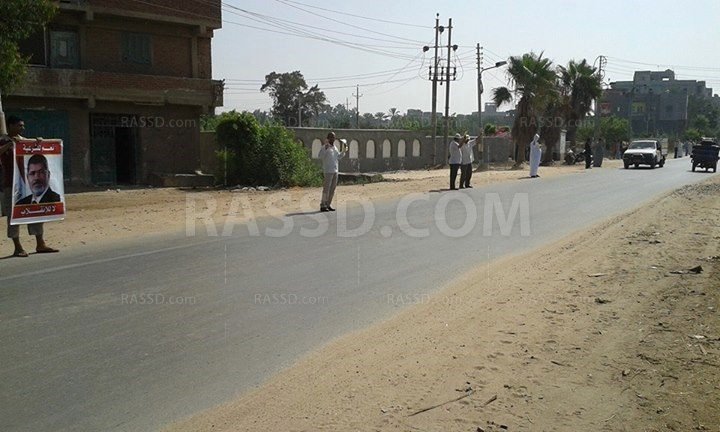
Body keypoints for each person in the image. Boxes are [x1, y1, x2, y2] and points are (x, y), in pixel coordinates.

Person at [0, 115, 58, 257]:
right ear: (10, 126)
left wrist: (38, 143)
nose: (22, 128)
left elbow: (35, 152)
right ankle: (18, 247)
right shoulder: (3, 141)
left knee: (35, 212)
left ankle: (40, 243)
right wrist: (10, 145)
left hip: (28, 186)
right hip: (11, 185)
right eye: (20, 125)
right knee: (14, 215)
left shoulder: (24, 141)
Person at [318, 131, 346, 212]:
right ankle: (323, 205)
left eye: (333, 137)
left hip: (335, 170)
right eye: (331, 137)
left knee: (332, 189)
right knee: (326, 189)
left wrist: (344, 150)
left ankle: (328, 204)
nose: (332, 138)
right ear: (328, 138)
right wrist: (325, 148)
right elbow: (320, 156)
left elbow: (338, 157)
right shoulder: (325, 147)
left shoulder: (335, 147)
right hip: (328, 171)